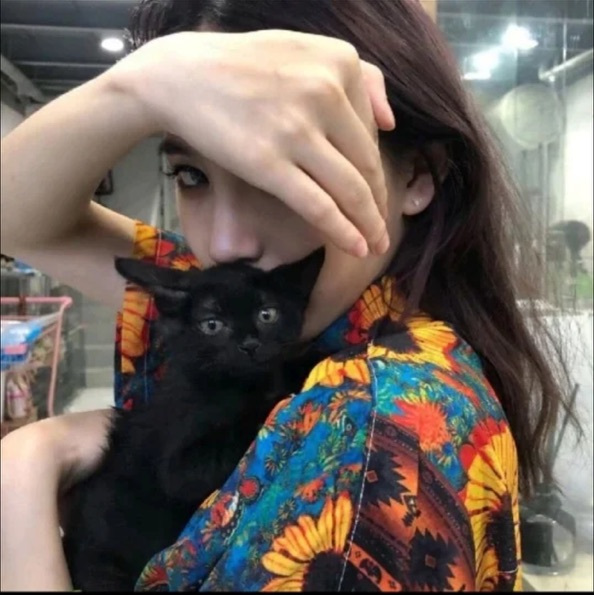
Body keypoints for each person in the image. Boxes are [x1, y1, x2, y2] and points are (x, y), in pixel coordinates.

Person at [0, 0, 572, 591]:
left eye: (287, 172)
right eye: (192, 175)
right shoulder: (295, 304)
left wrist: (24, 473)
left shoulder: (374, 437)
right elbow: (16, 218)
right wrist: (138, 86)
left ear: (416, 176)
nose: (224, 243)